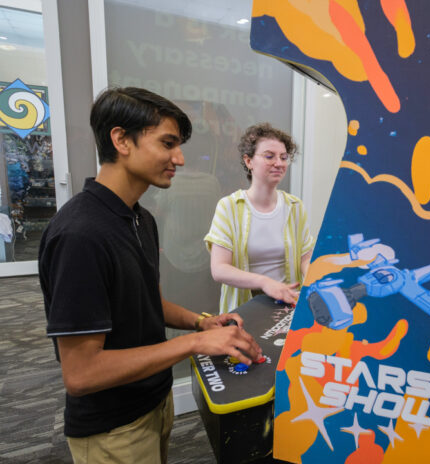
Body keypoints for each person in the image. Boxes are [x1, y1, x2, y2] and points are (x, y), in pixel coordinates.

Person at [39, 87, 261, 464]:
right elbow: (81, 373)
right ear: (121, 139)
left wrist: (201, 322)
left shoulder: (140, 218)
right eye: (168, 143)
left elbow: (148, 304)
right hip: (112, 428)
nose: (179, 158)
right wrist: (192, 345)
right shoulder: (80, 235)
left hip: (154, 404)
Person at [205, 123, 314, 313]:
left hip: (288, 306)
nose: (279, 163)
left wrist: (317, 282)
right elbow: (219, 269)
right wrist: (265, 283)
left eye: (283, 157)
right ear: (249, 162)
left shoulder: (295, 206)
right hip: (244, 311)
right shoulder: (229, 206)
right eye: (269, 156)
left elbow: (306, 258)